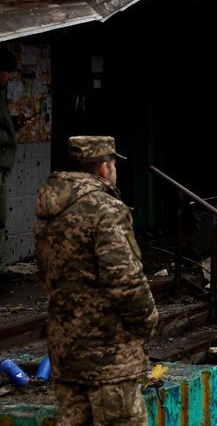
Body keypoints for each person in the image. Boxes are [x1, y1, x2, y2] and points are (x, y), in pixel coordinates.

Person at [34, 136, 158, 425]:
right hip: (109, 356)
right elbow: (125, 280)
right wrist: (148, 321)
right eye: (114, 163)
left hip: (66, 352)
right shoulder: (107, 210)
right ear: (104, 167)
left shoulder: (49, 208)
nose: (115, 170)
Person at [0, 47, 18, 242]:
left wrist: (13, 127)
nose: (10, 77)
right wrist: (9, 137)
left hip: (3, 165)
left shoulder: (1, 94)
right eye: (7, 72)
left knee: (1, 217)